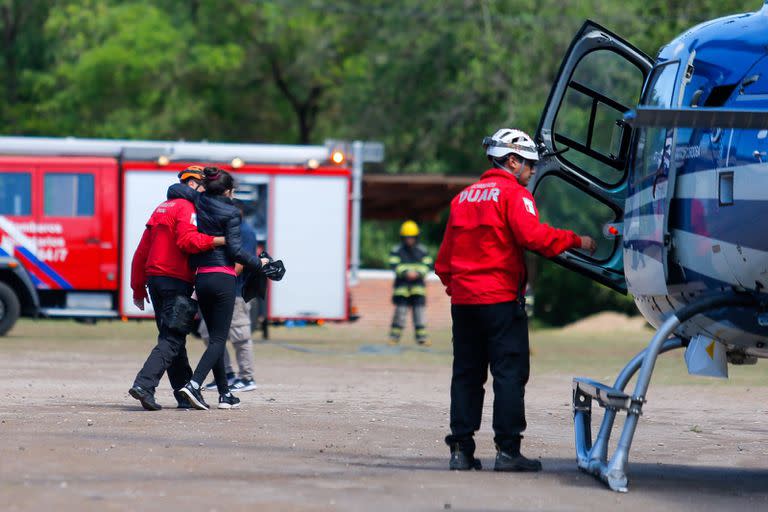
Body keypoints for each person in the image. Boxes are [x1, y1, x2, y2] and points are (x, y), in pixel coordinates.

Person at [435, 128, 597, 472]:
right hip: (499, 302)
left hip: (464, 305)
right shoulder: (513, 194)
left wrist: (461, 290)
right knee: (509, 374)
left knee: (466, 376)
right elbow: (533, 236)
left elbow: (443, 262)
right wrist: (577, 241)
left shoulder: (462, 198)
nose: (533, 171)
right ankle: (508, 452)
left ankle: (461, 452)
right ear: (512, 161)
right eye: (530, 165)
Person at [128, 166, 226, 411]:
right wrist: (219, 240)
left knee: (174, 339)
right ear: (193, 184)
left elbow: (142, 251)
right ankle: (144, 384)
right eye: (204, 185)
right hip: (175, 281)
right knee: (172, 338)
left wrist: (138, 287)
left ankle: (184, 395)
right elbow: (188, 240)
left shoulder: (162, 207)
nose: (207, 191)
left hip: (155, 281)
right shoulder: (187, 208)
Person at [178, 167, 268, 411]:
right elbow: (236, 252)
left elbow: (176, 189)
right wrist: (259, 263)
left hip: (201, 277)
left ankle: (224, 394)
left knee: (214, 336)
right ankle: (194, 384)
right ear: (228, 191)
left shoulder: (198, 202)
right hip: (223, 278)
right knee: (219, 338)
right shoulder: (231, 213)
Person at [200, 200, 258, 393]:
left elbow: (241, 263)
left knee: (240, 335)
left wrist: (223, 280)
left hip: (235, 292)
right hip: (222, 290)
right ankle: (225, 375)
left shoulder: (245, 232)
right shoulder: (226, 229)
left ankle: (247, 378)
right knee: (209, 334)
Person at [388, 220, 433, 346]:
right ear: (402, 237)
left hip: (418, 288)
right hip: (401, 288)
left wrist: (417, 273)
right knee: (400, 313)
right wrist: (406, 272)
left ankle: (422, 338)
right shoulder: (396, 250)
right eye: (407, 237)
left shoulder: (423, 250)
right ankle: (394, 337)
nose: (409, 240)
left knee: (420, 313)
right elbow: (394, 264)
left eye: (412, 237)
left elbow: (428, 265)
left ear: (416, 237)